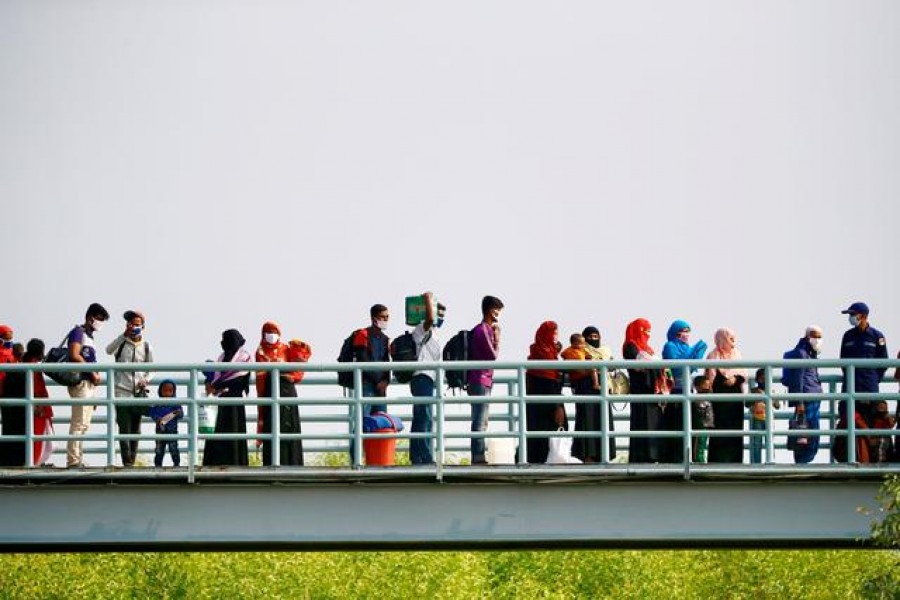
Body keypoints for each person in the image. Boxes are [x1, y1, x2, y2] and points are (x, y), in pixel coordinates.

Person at [105, 310, 154, 467]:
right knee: (124, 429)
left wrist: (146, 380)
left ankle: (132, 460)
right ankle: (127, 462)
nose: (134, 326)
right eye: (131, 323)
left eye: (137, 324)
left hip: (138, 394)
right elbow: (108, 350)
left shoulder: (146, 346)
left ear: (143, 326)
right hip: (121, 391)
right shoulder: (121, 343)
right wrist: (123, 335)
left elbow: (152, 368)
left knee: (136, 430)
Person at [65, 303, 109, 468]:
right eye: (99, 319)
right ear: (91, 317)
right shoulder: (78, 332)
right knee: (78, 423)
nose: (100, 323)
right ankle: (73, 461)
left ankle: (78, 459)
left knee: (84, 424)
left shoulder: (90, 337)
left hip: (89, 385)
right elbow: (74, 355)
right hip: (81, 382)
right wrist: (92, 373)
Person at [255, 321, 305, 467]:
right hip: (269, 393)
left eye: (274, 331)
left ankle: (293, 464)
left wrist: (294, 377)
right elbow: (260, 378)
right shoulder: (260, 352)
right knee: (272, 427)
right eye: (268, 332)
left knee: (289, 428)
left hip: (287, 391)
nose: (271, 335)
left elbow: (300, 364)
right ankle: (273, 464)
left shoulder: (287, 348)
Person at [622, 318, 671, 463]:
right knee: (642, 421)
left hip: (652, 390)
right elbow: (640, 364)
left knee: (654, 423)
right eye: (645, 329)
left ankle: (655, 455)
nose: (648, 333)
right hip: (641, 389)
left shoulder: (647, 347)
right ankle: (643, 457)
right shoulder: (630, 345)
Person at [564, 328, 616, 462]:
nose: (593, 339)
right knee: (587, 421)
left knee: (603, 420)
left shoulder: (604, 350)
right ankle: (587, 456)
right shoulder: (578, 351)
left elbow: (611, 366)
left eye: (596, 336)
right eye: (590, 337)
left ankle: (603, 455)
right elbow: (573, 367)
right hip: (585, 388)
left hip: (602, 389)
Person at [348, 304, 391, 462]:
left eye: (387, 317)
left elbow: (387, 363)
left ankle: (378, 460)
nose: (386, 320)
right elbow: (362, 360)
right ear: (374, 317)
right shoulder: (363, 335)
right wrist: (378, 381)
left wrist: (385, 381)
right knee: (361, 424)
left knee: (381, 424)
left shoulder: (385, 339)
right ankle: (356, 460)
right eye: (383, 317)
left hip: (381, 389)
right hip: (367, 386)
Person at [661, 320, 708, 463]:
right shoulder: (670, 346)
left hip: (688, 390)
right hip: (675, 391)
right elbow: (677, 366)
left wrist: (696, 351)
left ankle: (690, 456)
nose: (686, 334)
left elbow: (691, 367)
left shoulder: (687, 347)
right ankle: (675, 458)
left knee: (691, 423)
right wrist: (694, 351)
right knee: (676, 424)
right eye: (683, 331)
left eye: (688, 331)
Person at [202, 329, 251, 467]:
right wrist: (214, 386)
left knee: (234, 432)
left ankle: (236, 464)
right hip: (221, 401)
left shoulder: (244, 357)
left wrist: (220, 385)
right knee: (218, 433)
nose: (223, 343)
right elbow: (216, 378)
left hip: (235, 400)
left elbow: (239, 378)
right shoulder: (221, 357)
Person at [408, 292, 446, 465]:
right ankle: (425, 456)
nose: (441, 316)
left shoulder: (436, 333)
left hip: (429, 378)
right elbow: (430, 318)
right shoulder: (423, 327)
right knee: (424, 417)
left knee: (423, 417)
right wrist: (427, 300)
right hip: (421, 376)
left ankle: (417, 456)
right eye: (439, 312)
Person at [467, 295, 503, 465]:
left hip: (484, 379)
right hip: (479, 378)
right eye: (498, 310)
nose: (499, 314)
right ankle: (478, 456)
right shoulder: (482, 330)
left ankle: (479, 455)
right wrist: (497, 336)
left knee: (482, 420)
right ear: (490, 310)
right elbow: (492, 355)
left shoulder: (485, 329)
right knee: (479, 420)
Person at [839, 302, 888, 426]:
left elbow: (884, 361)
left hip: (869, 388)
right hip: (850, 386)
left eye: (853, 314)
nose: (850, 317)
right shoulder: (847, 336)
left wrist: (874, 378)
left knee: (869, 424)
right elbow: (843, 360)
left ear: (864, 316)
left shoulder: (877, 336)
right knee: (847, 423)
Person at [524, 321, 565, 464]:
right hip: (549, 404)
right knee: (550, 434)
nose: (556, 336)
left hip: (534, 405)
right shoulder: (547, 355)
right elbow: (551, 383)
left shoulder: (536, 352)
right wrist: (558, 406)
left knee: (535, 435)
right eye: (554, 333)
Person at [705, 328, 747, 464]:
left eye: (734, 338)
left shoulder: (737, 354)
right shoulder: (713, 355)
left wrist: (735, 379)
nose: (733, 341)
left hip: (735, 400)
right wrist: (724, 379)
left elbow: (742, 374)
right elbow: (710, 377)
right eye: (730, 338)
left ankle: (735, 461)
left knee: (735, 431)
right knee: (719, 431)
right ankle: (717, 461)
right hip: (719, 400)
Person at [782, 326, 824, 464]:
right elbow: (797, 379)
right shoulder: (802, 353)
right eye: (814, 336)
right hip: (807, 398)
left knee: (806, 432)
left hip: (812, 396)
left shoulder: (810, 352)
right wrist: (799, 402)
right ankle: (803, 462)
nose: (817, 340)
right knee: (807, 432)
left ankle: (804, 461)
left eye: (819, 337)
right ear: (807, 336)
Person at [149, 380, 182, 468]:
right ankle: (158, 465)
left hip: (172, 430)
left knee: (173, 448)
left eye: (170, 391)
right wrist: (157, 419)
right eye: (165, 390)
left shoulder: (175, 403)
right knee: (159, 449)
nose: (167, 393)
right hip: (160, 430)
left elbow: (181, 415)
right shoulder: (157, 404)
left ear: (173, 392)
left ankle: (176, 464)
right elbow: (152, 413)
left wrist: (177, 413)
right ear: (160, 391)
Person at [692, 375, 714, 463]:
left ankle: (701, 462)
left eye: (709, 385)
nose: (708, 387)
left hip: (708, 424)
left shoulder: (711, 396)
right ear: (697, 387)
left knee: (703, 444)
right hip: (700, 425)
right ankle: (699, 462)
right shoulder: (696, 398)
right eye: (705, 385)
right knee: (699, 445)